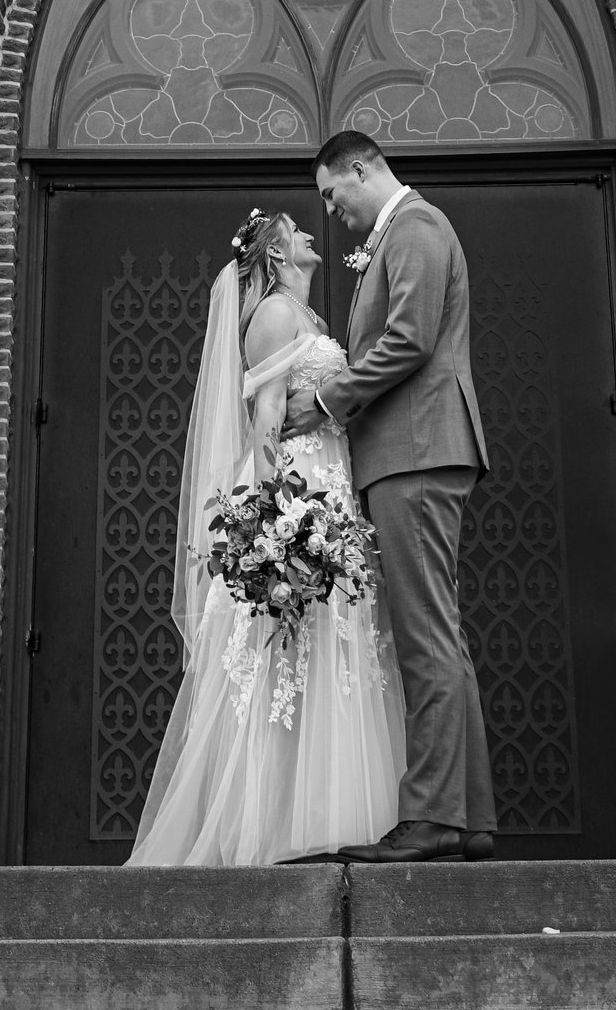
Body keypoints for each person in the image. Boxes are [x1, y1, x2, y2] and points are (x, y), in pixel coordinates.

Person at [126, 205, 406, 867]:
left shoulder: (305, 316)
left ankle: (327, 817)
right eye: (298, 232)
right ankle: (274, 829)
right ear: (278, 257)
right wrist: (280, 522)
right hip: (303, 495)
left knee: (330, 658)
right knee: (291, 658)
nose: (313, 235)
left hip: (331, 493)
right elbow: (266, 422)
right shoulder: (276, 315)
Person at [312, 130, 497, 862]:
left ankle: (430, 819)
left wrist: (329, 400)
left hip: (418, 450)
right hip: (410, 452)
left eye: (333, 193)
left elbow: (409, 340)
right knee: (436, 634)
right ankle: (468, 817)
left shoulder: (416, 228)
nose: (331, 211)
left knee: (424, 636)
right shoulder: (399, 234)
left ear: (363, 170)